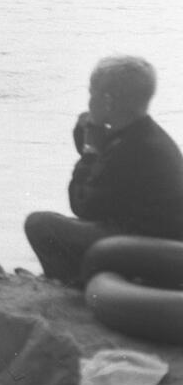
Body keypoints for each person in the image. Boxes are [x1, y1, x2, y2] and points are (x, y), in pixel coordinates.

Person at [24, 56, 183, 286]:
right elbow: (104, 158)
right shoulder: (144, 134)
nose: (89, 101)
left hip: (147, 248)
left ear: (107, 101)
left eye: (92, 93)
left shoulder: (128, 149)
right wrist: (90, 132)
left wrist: (89, 151)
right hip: (162, 241)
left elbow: (82, 206)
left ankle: (69, 282)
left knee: (40, 224)